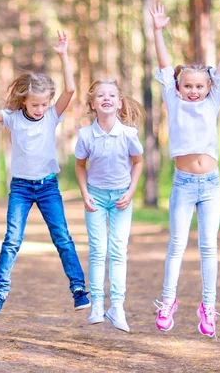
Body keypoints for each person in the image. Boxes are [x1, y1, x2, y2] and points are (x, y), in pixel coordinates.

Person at [0, 31, 90, 316]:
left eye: (44, 104)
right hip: (20, 188)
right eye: (35, 104)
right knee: (12, 240)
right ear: (24, 102)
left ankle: (79, 289)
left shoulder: (53, 116)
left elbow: (70, 91)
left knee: (63, 237)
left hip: (48, 187)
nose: (40, 108)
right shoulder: (12, 118)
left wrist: (64, 55)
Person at [149, 3, 220, 337]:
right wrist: (158, 31)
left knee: (209, 247)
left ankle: (208, 307)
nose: (193, 91)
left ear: (207, 88)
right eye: (187, 86)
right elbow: (163, 64)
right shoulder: (173, 101)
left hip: (210, 185)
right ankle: (168, 300)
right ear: (178, 87)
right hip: (184, 185)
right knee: (176, 244)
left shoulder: (212, 101)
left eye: (199, 87)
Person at [74, 79, 145, 332]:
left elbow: (138, 163)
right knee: (97, 249)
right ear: (93, 104)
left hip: (121, 199)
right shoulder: (85, 135)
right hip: (95, 196)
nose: (107, 98)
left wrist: (131, 192)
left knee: (117, 250)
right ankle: (97, 305)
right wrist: (84, 193)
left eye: (112, 95)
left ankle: (117, 307)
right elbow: (80, 166)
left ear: (119, 103)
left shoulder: (128, 134)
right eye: (101, 95)